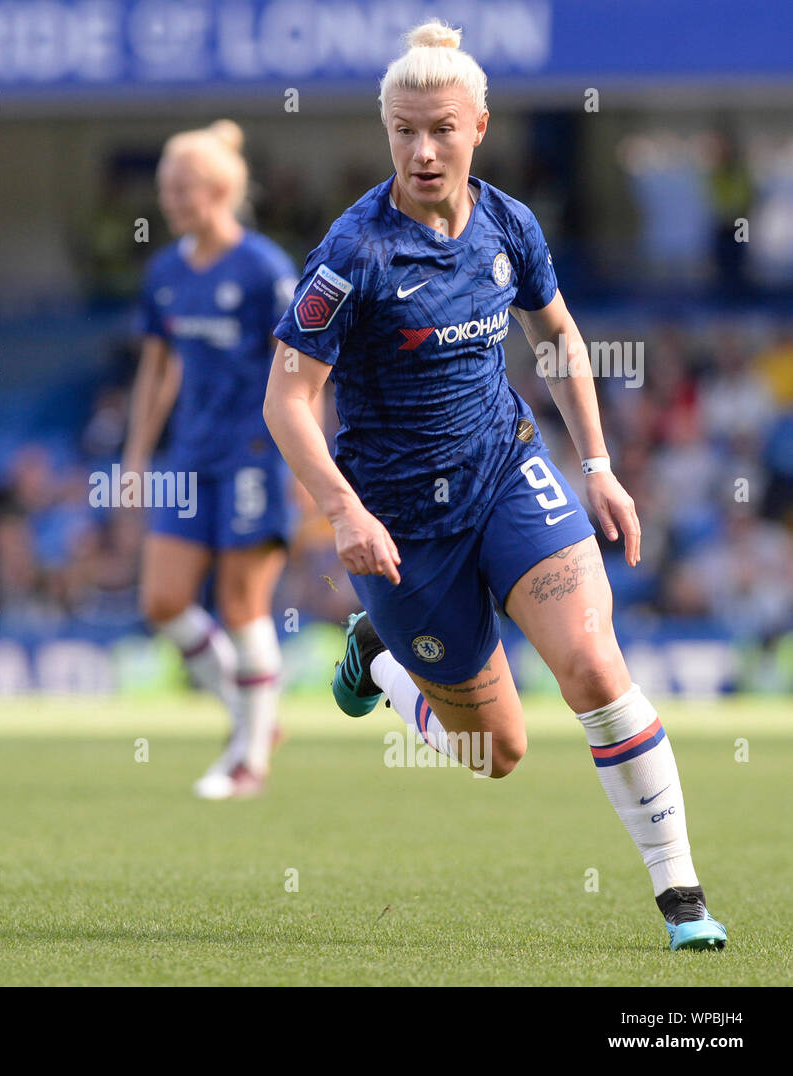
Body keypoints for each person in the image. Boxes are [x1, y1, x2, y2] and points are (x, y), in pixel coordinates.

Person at [263, 21, 725, 950]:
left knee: (595, 669)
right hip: (398, 522)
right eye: (403, 130)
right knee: (497, 752)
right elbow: (286, 401)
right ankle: (381, 661)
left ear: (478, 123)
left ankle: (682, 900)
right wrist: (342, 509)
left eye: (440, 128)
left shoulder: (511, 223)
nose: (421, 150)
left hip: (508, 470)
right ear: (386, 129)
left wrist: (597, 468)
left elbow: (555, 338)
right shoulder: (352, 254)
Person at [124, 120, 302, 799]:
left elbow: (301, 368)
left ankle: (248, 761)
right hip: (189, 458)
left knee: (241, 603)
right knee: (163, 600)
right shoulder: (165, 271)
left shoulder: (263, 269)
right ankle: (250, 718)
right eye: (166, 187)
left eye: (183, 186)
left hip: (253, 456)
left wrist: (308, 463)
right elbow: (156, 368)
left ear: (222, 188)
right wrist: (138, 453)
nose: (171, 199)